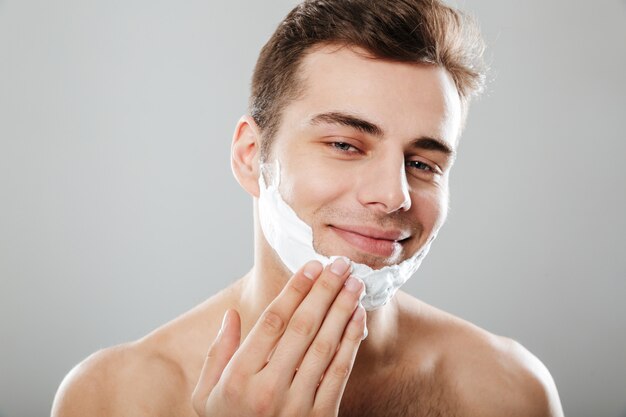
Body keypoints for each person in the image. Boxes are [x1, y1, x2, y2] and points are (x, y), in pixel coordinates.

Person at [52, 1, 565, 416]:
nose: (394, 195)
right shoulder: (112, 399)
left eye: (423, 163)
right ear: (252, 157)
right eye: (345, 144)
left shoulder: (509, 393)